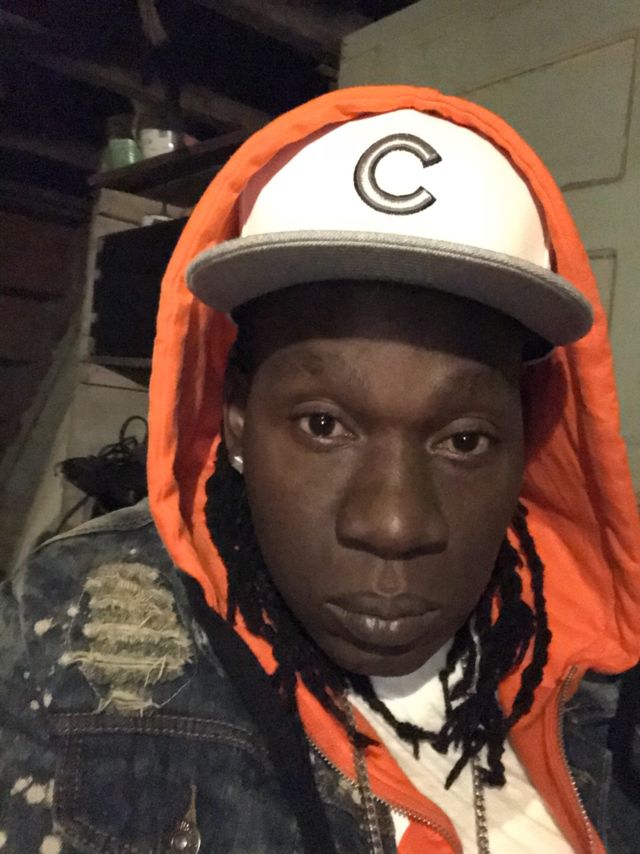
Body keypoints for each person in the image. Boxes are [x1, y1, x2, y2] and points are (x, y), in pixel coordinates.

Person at [1, 85, 639, 854]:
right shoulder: (68, 634)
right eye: (324, 425)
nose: (393, 524)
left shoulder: (606, 682)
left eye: (464, 440)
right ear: (238, 418)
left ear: (528, 437)